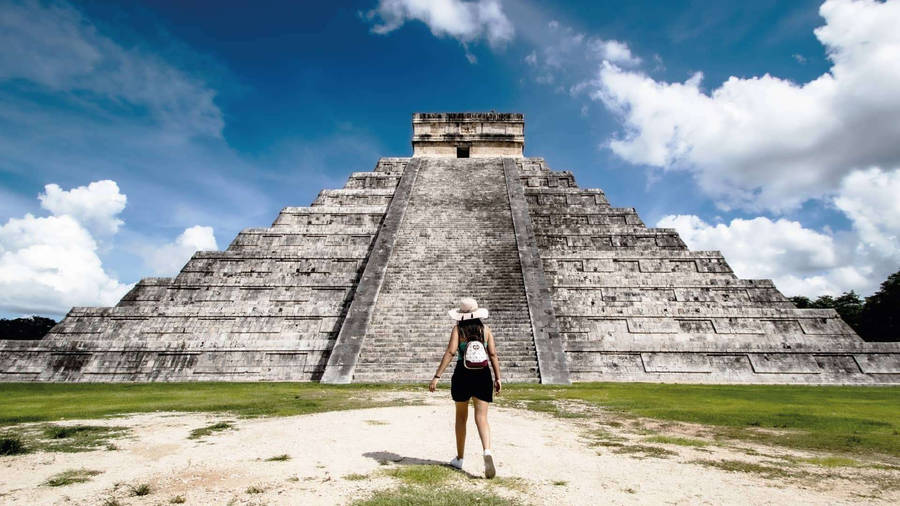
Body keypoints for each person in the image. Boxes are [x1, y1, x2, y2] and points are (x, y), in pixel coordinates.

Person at [428, 297, 502, 479]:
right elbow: (492, 354)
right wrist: (498, 378)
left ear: (462, 315)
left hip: (463, 374)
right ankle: (487, 451)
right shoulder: (486, 330)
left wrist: (437, 376)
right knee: (482, 418)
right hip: (483, 374)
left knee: (461, 418)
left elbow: (451, 352)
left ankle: (460, 458)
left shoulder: (458, 330)